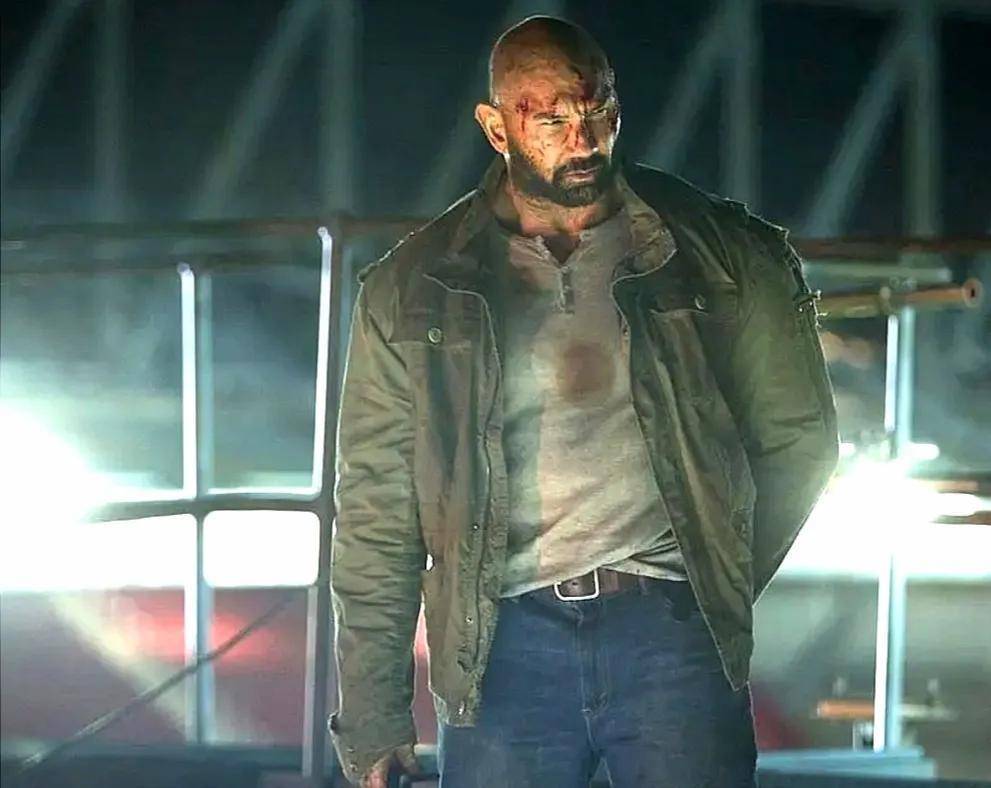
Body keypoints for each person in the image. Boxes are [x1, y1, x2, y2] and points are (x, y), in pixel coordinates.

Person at [328, 15, 839, 788]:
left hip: (670, 627)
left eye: (599, 112)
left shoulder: (724, 253)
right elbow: (376, 511)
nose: (585, 139)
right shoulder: (412, 288)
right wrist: (372, 717)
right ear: (495, 129)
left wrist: (709, 583)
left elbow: (797, 440)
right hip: (500, 645)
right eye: (553, 121)